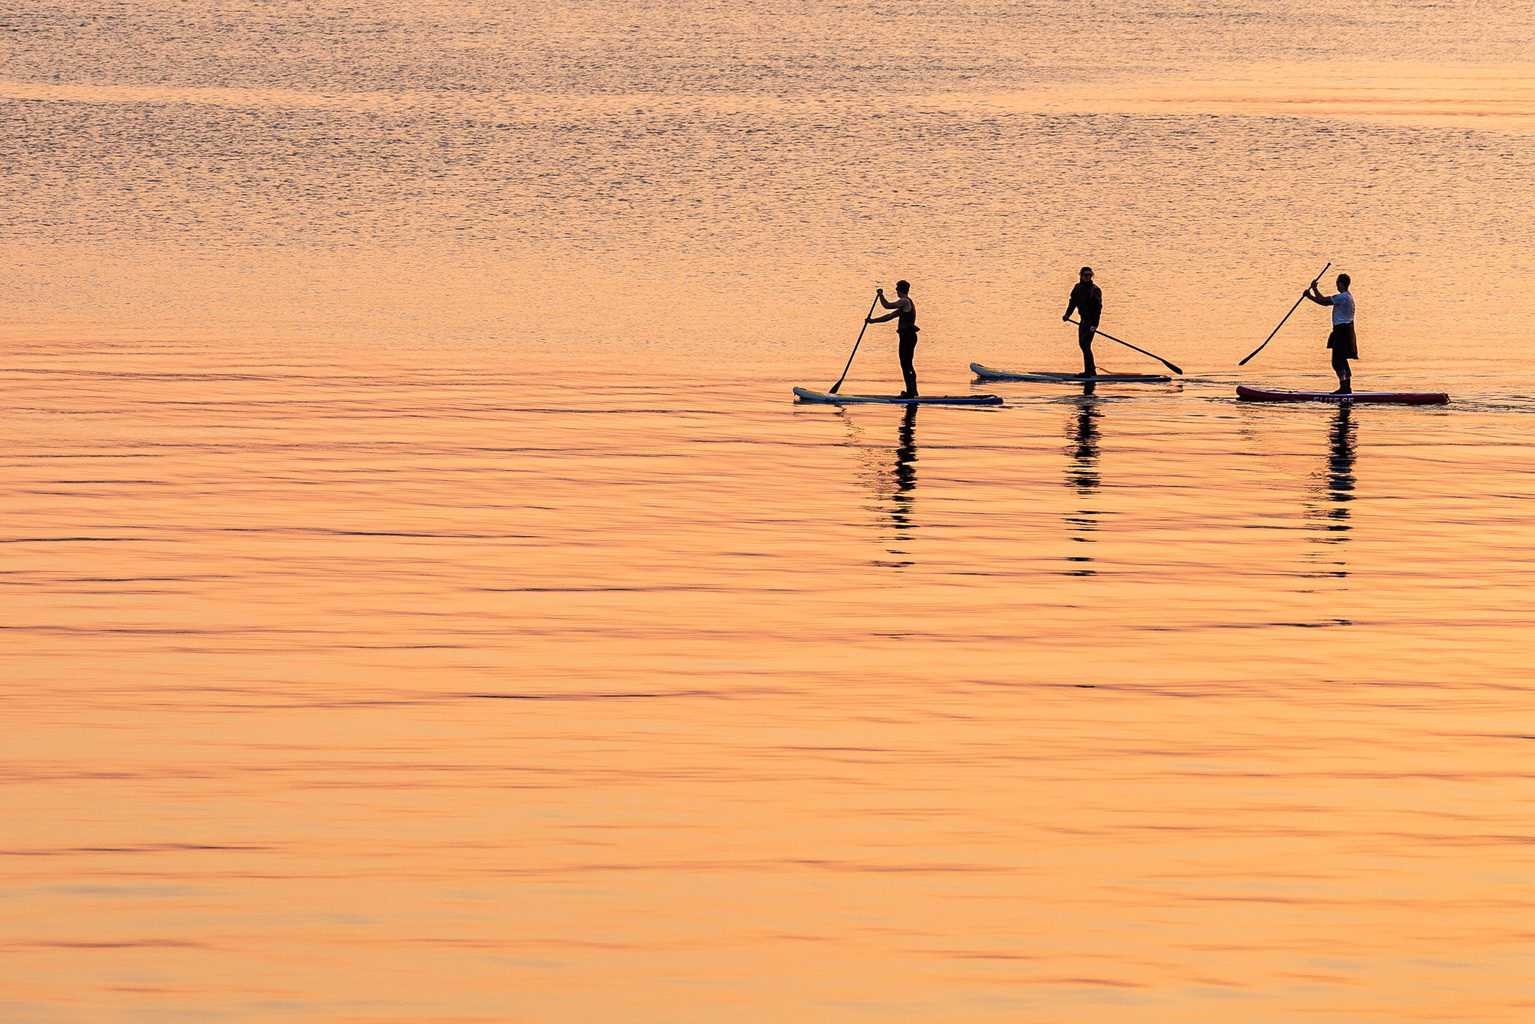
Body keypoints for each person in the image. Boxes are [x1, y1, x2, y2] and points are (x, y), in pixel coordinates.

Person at [1303, 273, 1357, 394]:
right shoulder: (1348, 296)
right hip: (1344, 330)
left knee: (1337, 361)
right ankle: (1346, 387)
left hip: (1342, 331)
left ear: (1341, 284)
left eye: (1337, 282)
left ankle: (1344, 388)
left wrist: (1309, 296)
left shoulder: (1342, 297)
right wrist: (1315, 290)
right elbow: (1324, 300)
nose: (1336, 284)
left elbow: (1324, 302)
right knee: (1342, 360)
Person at [867, 280, 920, 397]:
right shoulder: (903, 306)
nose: (896, 290)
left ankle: (911, 392)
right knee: (905, 363)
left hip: (908, 337)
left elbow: (887, 306)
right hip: (907, 337)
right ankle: (912, 391)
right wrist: (872, 321)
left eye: (897, 288)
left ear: (900, 290)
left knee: (906, 363)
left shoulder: (905, 301)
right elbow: (888, 316)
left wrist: (881, 295)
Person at [1062, 267, 1102, 377]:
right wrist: (1067, 315)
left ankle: (1089, 372)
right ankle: (1091, 370)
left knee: (1085, 344)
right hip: (1083, 321)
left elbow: (1098, 309)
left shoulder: (1095, 290)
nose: (1087, 277)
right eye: (1085, 275)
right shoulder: (1077, 287)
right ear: (1081, 275)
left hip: (1091, 322)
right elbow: (1073, 303)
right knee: (1083, 345)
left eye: (1089, 275)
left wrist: (1095, 325)